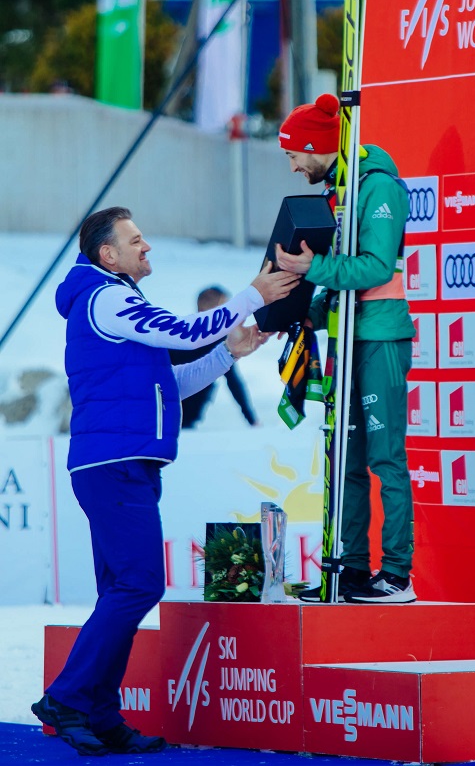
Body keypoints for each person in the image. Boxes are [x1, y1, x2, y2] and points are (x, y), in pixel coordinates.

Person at [31, 206, 298, 756]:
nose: (147, 247)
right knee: (139, 585)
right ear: (109, 255)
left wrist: (228, 353)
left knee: (122, 589)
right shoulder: (108, 297)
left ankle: (100, 714)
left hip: (116, 463)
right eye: (136, 240)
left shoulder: (112, 301)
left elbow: (169, 386)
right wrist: (252, 294)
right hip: (115, 464)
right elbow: (186, 329)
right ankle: (68, 697)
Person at [276, 93, 416, 604]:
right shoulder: (340, 189)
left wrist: (310, 270)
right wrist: (297, 316)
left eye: (294, 155)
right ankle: (352, 570)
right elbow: (339, 279)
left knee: (384, 457)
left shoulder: (377, 186)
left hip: (380, 336)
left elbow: (377, 267)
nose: (293, 166)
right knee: (346, 459)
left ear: (316, 146)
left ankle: (397, 574)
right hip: (347, 336)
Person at [170, 286, 259, 428]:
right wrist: (252, 420)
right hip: (180, 414)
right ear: (208, 308)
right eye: (225, 307)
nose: (229, 314)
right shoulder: (215, 339)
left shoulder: (178, 333)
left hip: (166, 412)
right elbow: (233, 382)